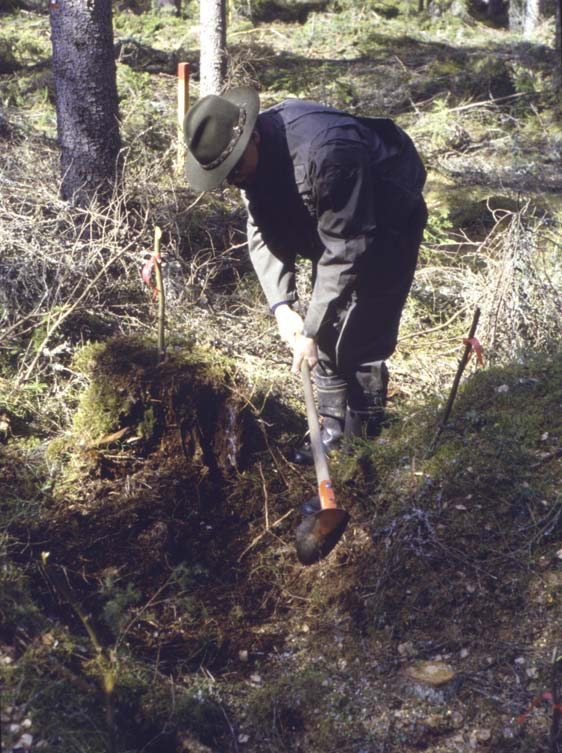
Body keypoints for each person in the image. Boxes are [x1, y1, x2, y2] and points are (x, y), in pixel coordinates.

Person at [183, 86, 427, 464]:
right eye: (225, 175)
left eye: (235, 170)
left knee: (362, 327)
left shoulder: (329, 151)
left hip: (387, 216)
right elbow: (262, 230)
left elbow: (348, 246)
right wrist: (284, 308)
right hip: (328, 216)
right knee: (325, 320)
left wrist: (310, 329)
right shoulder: (248, 162)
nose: (233, 181)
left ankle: (364, 434)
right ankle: (331, 429)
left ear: (254, 137)